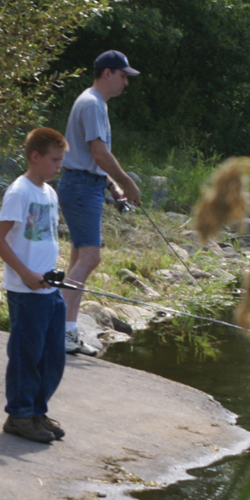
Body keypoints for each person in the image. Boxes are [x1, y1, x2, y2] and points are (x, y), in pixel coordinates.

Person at [57, 49, 141, 353]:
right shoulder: (92, 104)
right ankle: (61, 332)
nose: (126, 83)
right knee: (90, 259)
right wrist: (128, 183)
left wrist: (112, 187)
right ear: (107, 73)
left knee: (79, 260)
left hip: (85, 185)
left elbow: (90, 157)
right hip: (80, 187)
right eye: (123, 76)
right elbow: (99, 154)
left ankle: (65, 330)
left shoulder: (95, 103)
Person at [0, 127, 68, 444]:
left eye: (61, 160)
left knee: (53, 357)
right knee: (26, 355)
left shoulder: (49, 192)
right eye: (54, 160)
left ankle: (37, 410)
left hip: (50, 289)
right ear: (35, 157)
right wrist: (24, 273)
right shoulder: (19, 192)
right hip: (26, 292)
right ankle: (19, 415)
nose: (59, 166)